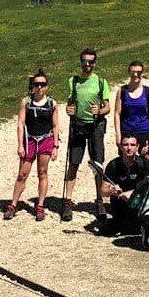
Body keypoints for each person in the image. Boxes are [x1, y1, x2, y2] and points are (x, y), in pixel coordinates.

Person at [61, 48, 111, 223]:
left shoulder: (101, 82)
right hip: (78, 126)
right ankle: (68, 201)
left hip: (95, 126)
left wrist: (100, 111)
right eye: (84, 61)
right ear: (80, 62)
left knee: (97, 165)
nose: (87, 65)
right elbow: (70, 103)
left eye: (91, 62)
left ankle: (100, 201)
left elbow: (107, 107)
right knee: (74, 163)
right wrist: (69, 110)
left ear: (95, 63)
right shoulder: (73, 81)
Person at [5, 70, 59, 222]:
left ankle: (40, 206)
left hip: (45, 140)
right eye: (37, 84)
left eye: (43, 84)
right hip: (29, 141)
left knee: (43, 172)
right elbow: (20, 124)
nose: (40, 87)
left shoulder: (52, 104)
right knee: (22, 174)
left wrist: (55, 146)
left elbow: (55, 126)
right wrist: (20, 145)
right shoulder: (26, 102)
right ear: (32, 86)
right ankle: (13, 204)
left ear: (47, 86)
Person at [99, 132, 149, 236]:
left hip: (138, 203)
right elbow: (103, 191)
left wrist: (132, 193)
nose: (129, 148)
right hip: (119, 205)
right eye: (126, 145)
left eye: (132, 145)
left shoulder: (144, 164)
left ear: (137, 147)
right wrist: (112, 190)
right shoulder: (113, 165)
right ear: (121, 147)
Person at [113, 61, 149, 149]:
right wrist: (118, 135)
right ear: (129, 72)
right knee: (126, 160)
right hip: (127, 132)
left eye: (138, 72)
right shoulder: (122, 90)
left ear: (142, 73)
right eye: (133, 72)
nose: (135, 75)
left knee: (146, 160)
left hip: (144, 131)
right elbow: (117, 114)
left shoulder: (148, 91)